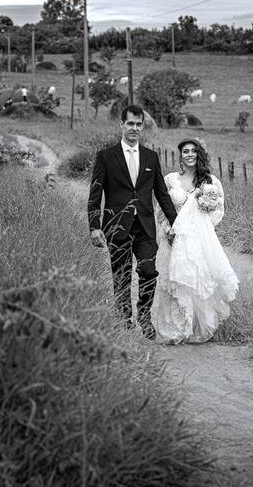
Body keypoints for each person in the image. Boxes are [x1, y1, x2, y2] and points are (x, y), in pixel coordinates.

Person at [88, 105, 179, 339]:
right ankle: (125, 320)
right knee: (122, 275)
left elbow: (161, 193)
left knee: (149, 271)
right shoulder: (106, 156)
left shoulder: (151, 157)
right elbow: (95, 193)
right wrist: (95, 226)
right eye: (130, 124)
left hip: (146, 228)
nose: (135, 128)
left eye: (139, 124)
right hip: (117, 227)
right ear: (122, 125)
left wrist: (176, 223)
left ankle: (145, 316)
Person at [151, 138, 239, 344]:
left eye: (193, 151)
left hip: (196, 240)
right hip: (172, 237)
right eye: (185, 151)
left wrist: (199, 229)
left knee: (196, 279)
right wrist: (167, 229)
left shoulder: (210, 182)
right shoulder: (170, 179)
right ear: (180, 156)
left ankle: (196, 326)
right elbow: (161, 209)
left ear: (199, 154)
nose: (189, 154)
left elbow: (219, 211)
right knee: (172, 280)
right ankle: (175, 328)